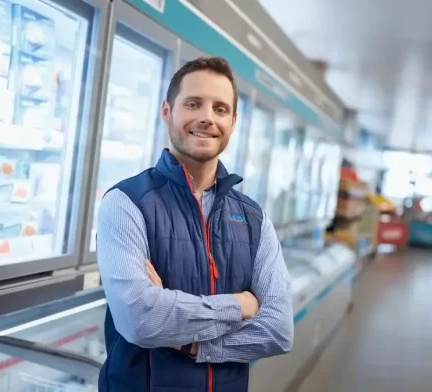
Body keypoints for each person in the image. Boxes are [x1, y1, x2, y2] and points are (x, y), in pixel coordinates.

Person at [96, 56, 293, 392]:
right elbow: (140, 319)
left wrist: (194, 345)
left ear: (233, 121)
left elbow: (278, 329)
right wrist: (240, 306)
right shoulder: (126, 203)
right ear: (167, 112)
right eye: (193, 104)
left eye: (219, 108)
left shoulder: (253, 218)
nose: (206, 117)